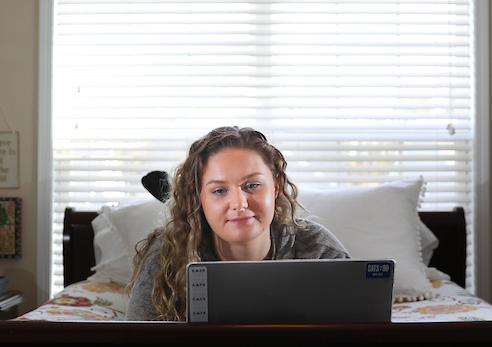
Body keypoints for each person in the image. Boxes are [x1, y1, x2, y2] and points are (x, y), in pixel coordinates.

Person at [125, 126, 350, 321]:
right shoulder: (167, 253)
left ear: (276, 185)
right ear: (198, 197)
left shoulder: (317, 248)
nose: (239, 203)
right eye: (219, 190)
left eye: (252, 185)